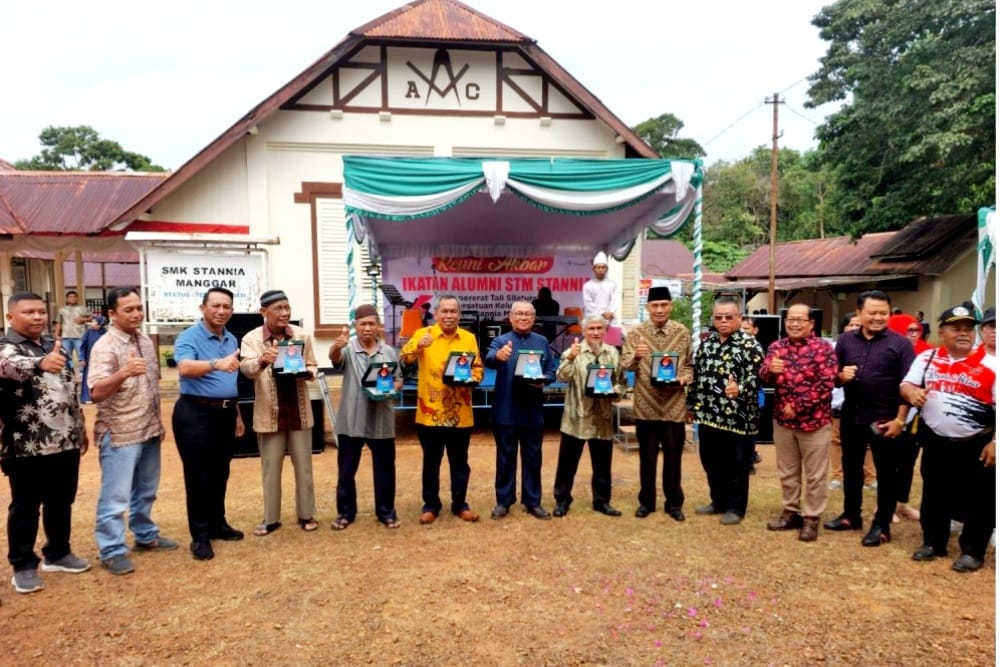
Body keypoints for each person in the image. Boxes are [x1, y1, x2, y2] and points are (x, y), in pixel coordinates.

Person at [0, 291, 91, 594]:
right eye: (29, 312)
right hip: (26, 445)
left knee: (61, 500)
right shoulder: (6, 347)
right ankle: (23, 565)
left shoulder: (55, 344)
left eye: (41, 311)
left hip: (64, 441)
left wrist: (80, 429)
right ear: (11, 316)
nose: (37, 317)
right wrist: (41, 362)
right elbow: (9, 366)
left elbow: (69, 390)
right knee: (26, 505)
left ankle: (58, 552)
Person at [88, 287, 177, 575]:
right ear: (112, 314)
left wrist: (158, 423)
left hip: (149, 428)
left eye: (139, 307)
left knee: (146, 490)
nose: (137, 313)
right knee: (116, 496)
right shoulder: (105, 345)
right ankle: (112, 549)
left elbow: (150, 387)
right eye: (129, 309)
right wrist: (123, 372)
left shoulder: (145, 341)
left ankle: (145, 534)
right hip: (121, 433)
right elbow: (96, 392)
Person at [902, 303, 995, 572]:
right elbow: (906, 384)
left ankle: (973, 551)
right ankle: (933, 542)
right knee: (935, 491)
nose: (964, 333)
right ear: (942, 332)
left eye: (969, 328)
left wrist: (996, 442)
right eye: (956, 328)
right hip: (936, 439)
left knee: (981, 496)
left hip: (977, 441)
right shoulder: (927, 359)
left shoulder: (991, 364)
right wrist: (911, 393)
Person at [824, 290, 915, 548]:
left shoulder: (900, 345)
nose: (878, 318)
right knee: (851, 467)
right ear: (859, 313)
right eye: (872, 313)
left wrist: (900, 421)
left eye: (883, 313)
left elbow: (910, 384)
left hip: (885, 417)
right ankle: (851, 515)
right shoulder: (845, 341)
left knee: (887, 473)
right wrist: (841, 376)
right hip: (852, 413)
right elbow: (832, 376)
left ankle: (882, 525)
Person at [172, 287, 246, 561]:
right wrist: (216, 363)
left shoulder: (230, 338)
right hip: (195, 414)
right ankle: (200, 537)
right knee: (198, 476)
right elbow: (185, 367)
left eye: (226, 306)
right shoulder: (188, 337)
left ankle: (218, 523)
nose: (221, 311)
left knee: (220, 472)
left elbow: (229, 379)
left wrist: (236, 412)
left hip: (225, 414)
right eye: (215, 305)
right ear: (203, 308)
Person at [239, 290, 319, 537]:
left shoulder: (301, 335)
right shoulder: (251, 339)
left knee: (304, 467)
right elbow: (246, 369)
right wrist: (263, 360)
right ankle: (271, 518)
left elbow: (313, 364)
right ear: (264, 312)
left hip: (299, 411)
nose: (285, 313)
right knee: (271, 468)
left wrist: (308, 373)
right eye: (278, 308)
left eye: (287, 307)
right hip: (269, 412)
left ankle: (306, 514)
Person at [400, 295, 483, 524]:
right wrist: (418, 345)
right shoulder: (423, 334)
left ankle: (460, 504)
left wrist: (471, 380)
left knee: (460, 463)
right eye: (444, 311)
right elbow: (404, 358)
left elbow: (477, 369)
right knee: (431, 462)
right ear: (436, 314)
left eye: (453, 311)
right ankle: (431, 505)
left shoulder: (468, 338)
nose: (449, 316)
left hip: (460, 413)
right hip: (430, 414)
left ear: (459, 314)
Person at [759, 304, 838, 541]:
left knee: (815, 474)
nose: (794, 324)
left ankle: (812, 518)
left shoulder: (824, 349)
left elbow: (826, 384)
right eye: (790, 320)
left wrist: (799, 406)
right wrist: (769, 370)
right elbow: (763, 375)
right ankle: (790, 512)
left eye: (799, 320)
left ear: (811, 323)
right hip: (783, 422)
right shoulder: (777, 347)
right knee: (788, 471)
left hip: (814, 423)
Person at [687, 297, 763, 525]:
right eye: (718, 317)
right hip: (709, 416)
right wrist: (691, 404)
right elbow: (697, 376)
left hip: (738, 419)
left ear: (739, 318)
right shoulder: (707, 344)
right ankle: (718, 500)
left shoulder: (750, 346)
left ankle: (736, 507)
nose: (723, 321)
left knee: (737, 465)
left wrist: (738, 388)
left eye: (728, 317)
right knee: (710, 460)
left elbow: (758, 378)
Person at [621, 285, 693, 521]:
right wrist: (637, 356)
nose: (660, 310)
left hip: (674, 405)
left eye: (664, 305)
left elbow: (691, 366)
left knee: (674, 457)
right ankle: (647, 502)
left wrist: (684, 378)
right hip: (646, 405)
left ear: (671, 306)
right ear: (648, 307)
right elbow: (625, 366)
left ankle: (674, 504)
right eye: (655, 305)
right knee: (647, 457)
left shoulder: (682, 332)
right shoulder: (636, 333)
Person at [328, 304, 403, 529]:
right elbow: (335, 360)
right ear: (355, 326)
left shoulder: (388, 352)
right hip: (352, 419)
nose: (367, 328)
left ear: (378, 325)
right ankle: (345, 513)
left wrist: (395, 387)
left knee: (385, 468)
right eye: (362, 324)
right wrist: (335, 347)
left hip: (382, 417)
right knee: (347, 470)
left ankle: (386, 512)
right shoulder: (348, 350)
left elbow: (398, 378)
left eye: (371, 324)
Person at [484, 302, 559, 520]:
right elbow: (488, 359)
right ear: (511, 317)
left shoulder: (542, 341)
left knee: (533, 458)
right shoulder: (501, 340)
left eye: (528, 314)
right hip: (506, 410)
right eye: (519, 314)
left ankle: (533, 501)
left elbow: (552, 368)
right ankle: (503, 501)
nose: (523, 317)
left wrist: (547, 379)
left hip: (532, 411)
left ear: (534, 318)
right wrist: (499, 356)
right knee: (505, 458)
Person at [552, 317, 625, 517]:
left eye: (599, 328)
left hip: (602, 418)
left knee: (602, 465)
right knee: (567, 464)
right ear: (583, 331)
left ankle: (602, 501)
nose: (595, 332)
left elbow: (621, 382)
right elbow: (561, 376)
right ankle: (562, 500)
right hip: (576, 417)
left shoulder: (612, 353)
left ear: (605, 331)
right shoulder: (572, 352)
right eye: (591, 328)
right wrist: (571, 358)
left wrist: (614, 391)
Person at [885, 312, 931, 523]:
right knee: (890, 462)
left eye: (916, 330)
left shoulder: (927, 353)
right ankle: (885, 504)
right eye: (909, 330)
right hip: (892, 413)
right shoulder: (889, 351)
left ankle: (902, 503)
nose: (913, 334)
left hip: (917, 418)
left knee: (908, 462)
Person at [828, 314, 877, 491]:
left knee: (868, 444)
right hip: (838, 403)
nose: (855, 327)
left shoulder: (872, 347)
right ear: (843, 328)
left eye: (858, 324)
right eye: (851, 324)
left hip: (865, 405)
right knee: (836, 441)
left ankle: (870, 477)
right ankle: (837, 476)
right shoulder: (835, 347)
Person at [739, 315, 763, 472]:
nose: (743, 332)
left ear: (755, 330)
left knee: (749, 428)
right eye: (741, 329)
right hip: (735, 396)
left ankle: (749, 460)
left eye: (746, 329)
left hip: (752, 394)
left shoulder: (756, 348)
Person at [55, 290, 90, 370]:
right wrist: (57, 335)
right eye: (70, 297)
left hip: (79, 337)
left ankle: (82, 374)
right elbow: (59, 322)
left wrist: (83, 320)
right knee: (66, 357)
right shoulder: (62, 310)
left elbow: (92, 318)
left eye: (74, 297)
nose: (73, 298)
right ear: (67, 299)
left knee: (81, 357)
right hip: (66, 337)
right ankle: (70, 373)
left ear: (77, 298)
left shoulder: (83, 309)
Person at [582, 251, 619, 327]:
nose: (600, 269)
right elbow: (588, 303)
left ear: (607, 269)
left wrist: (609, 313)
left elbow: (614, 301)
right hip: (592, 319)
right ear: (593, 269)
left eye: (603, 267)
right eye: (598, 267)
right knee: (594, 337)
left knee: (611, 339)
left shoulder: (613, 284)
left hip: (610, 320)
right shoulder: (588, 285)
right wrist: (602, 313)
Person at [79, 315, 109, 404]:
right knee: (88, 378)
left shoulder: (105, 333)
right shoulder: (88, 332)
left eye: (94, 322)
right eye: (92, 321)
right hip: (89, 359)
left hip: (101, 360)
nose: (92, 323)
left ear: (100, 324)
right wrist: (82, 358)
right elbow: (83, 346)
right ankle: (87, 397)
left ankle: (100, 397)